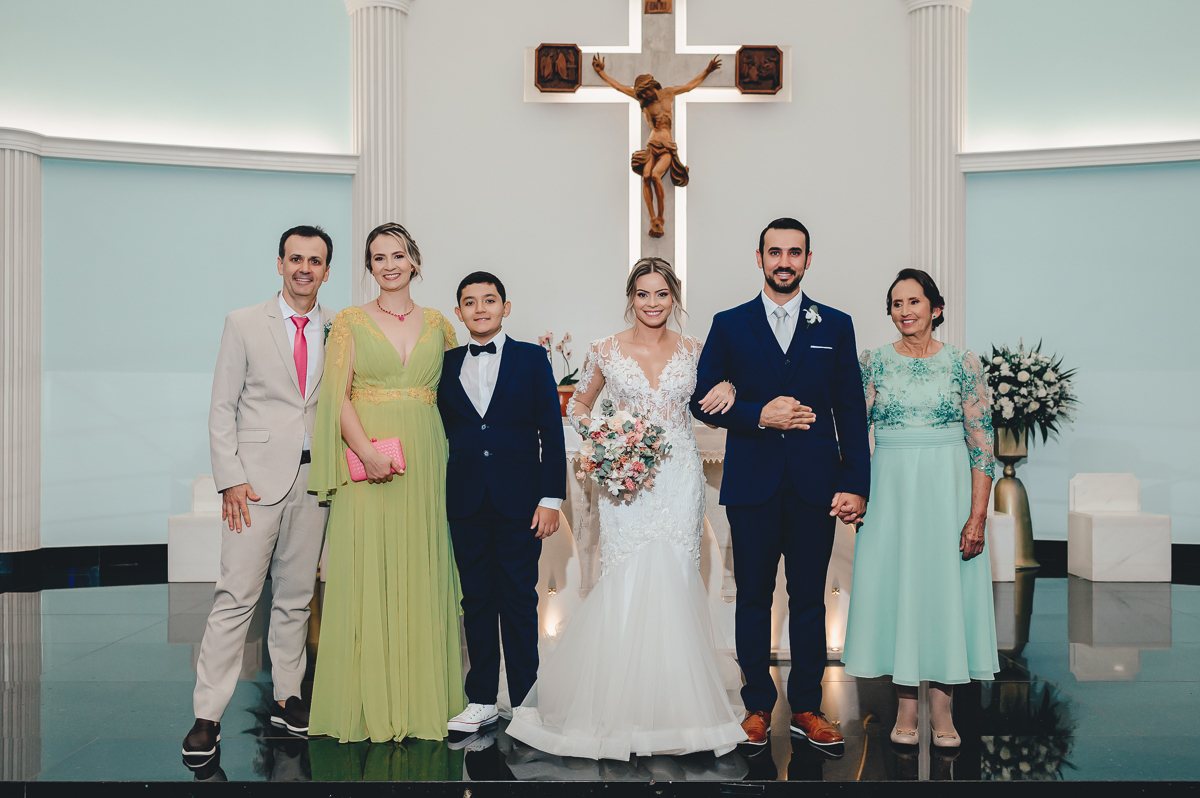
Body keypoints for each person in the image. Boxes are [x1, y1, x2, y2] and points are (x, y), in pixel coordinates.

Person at [506, 257, 743, 760]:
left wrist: (730, 387)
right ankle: (616, 702)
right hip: (627, 480)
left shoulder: (696, 350)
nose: (652, 303)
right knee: (627, 576)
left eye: (662, 294)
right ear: (631, 297)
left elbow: (711, 406)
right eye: (643, 293)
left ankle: (675, 703)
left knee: (677, 572)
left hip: (678, 477)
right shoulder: (605, 350)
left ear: (674, 297)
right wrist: (609, 441)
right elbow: (578, 406)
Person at [690, 218, 871, 752]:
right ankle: (756, 707)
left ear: (808, 259)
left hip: (817, 484)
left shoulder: (835, 324)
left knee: (809, 599)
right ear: (760, 258)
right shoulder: (729, 324)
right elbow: (701, 399)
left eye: (795, 252)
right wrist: (757, 414)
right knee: (752, 597)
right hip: (753, 484)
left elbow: (851, 410)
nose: (784, 261)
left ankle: (808, 707)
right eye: (775, 252)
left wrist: (855, 483)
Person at [307, 222, 464, 742]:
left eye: (398, 255)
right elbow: (336, 396)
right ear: (369, 267)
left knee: (421, 566)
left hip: (427, 459)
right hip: (368, 453)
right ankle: (367, 698)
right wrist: (366, 452)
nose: (389, 265)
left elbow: (456, 400)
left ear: (414, 261)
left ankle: (423, 700)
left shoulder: (440, 324)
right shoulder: (349, 322)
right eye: (378, 257)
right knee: (367, 567)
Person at [185, 225, 335, 759]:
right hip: (252, 486)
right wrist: (229, 478)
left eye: (314, 261)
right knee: (235, 599)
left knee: (295, 599)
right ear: (280, 264)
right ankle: (207, 716)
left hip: (315, 484)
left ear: (326, 271)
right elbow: (221, 406)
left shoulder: (340, 329)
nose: (304, 268)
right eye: (295, 258)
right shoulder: (243, 322)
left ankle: (288, 696)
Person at [841, 268, 999, 748]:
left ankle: (943, 707)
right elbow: (853, 433)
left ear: (936, 308)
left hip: (947, 489)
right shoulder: (872, 362)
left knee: (944, 589)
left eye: (914, 301)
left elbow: (982, 445)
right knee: (899, 588)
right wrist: (853, 490)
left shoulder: (963, 363)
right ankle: (906, 705)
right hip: (891, 493)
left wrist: (977, 516)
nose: (905, 311)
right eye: (897, 303)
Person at [437, 271, 567, 736]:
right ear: (459, 313)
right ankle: (481, 700)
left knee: (518, 598)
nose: (480, 308)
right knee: (475, 600)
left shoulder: (531, 358)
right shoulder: (446, 363)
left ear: (505, 307)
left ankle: (526, 701)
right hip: (466, 499)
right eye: (470, 302)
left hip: (521, 501)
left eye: (489, 300)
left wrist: (550, 498)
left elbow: (551, 430)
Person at [591, 54, 721, 238]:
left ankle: (661, 216)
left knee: (655, 175)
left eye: (646, 92)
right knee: (646, 177)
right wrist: (601, 73)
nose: (645, 96)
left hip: (667, 146)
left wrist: (707, 71)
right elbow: (619, 87)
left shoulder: (669, 93)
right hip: (652, 144)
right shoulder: (643, 100)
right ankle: (653, 218)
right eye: (642, 94)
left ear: (652, 86)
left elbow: (689, 86)